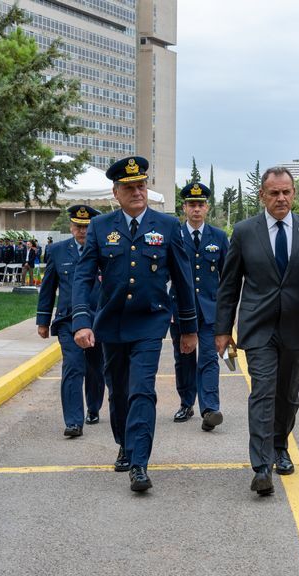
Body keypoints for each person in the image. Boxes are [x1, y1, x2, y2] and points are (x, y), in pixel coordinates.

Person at [72, 156, 198, 493]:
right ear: (116, 193)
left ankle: (140, 463)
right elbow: (83, 277)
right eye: (129, 188)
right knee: (118, 391)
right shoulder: (100, 227)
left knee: (142, 389)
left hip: (149, 322)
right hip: (111, 322)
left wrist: (188, 329)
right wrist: (82, 321)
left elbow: (183, 279)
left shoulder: (167, 226)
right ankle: (125, 445)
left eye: (141, 185)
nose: (138, 192)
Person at [215, 166, 299, 496]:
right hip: (258, 326)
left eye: (286, 192)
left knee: (287, 394)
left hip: (297, 325)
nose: (281, 198)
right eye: (274, 193)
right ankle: (261, 467)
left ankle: (279, 446)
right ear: (263, 196)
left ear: (294, 193)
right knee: (262, 391)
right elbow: (229, 285)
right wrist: (222, 330)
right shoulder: (245, 232)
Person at [38, 205, 106, 437]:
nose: (82, 231)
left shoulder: (104, 251)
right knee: (73, 367)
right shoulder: (57, 251)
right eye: (78, 226)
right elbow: (48, 288)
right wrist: (43, 320)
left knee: (96, 368)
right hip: (68, 319)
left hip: (98, 319)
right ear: (71, 227)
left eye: (87, 227)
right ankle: (74, 421)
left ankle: (93, 407)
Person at [170, 181, 230, 429]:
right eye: (191, 204)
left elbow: (227, 278)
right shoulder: (174, 235)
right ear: (184, 208)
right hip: (180, 310)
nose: (196, 209)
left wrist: (226, 314)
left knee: (208, 358)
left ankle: (210, 409)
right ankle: (186, 403)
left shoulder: (219, 237)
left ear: (207, 208)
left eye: (201, 204)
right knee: (183, 358)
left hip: (209, 311)